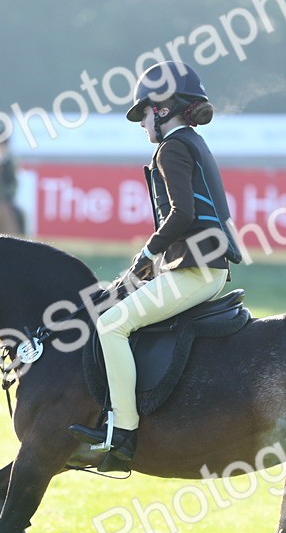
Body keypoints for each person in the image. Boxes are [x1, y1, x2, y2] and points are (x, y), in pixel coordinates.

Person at [68, 61, 242, 473]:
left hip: (194, 270)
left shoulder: (172, 147)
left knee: (111, 325)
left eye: (143, 113)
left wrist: (146, 256)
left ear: (162, 109)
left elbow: (181, 214)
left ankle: (123, 434)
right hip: (201, 266)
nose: (141, 123)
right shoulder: (194, 143)